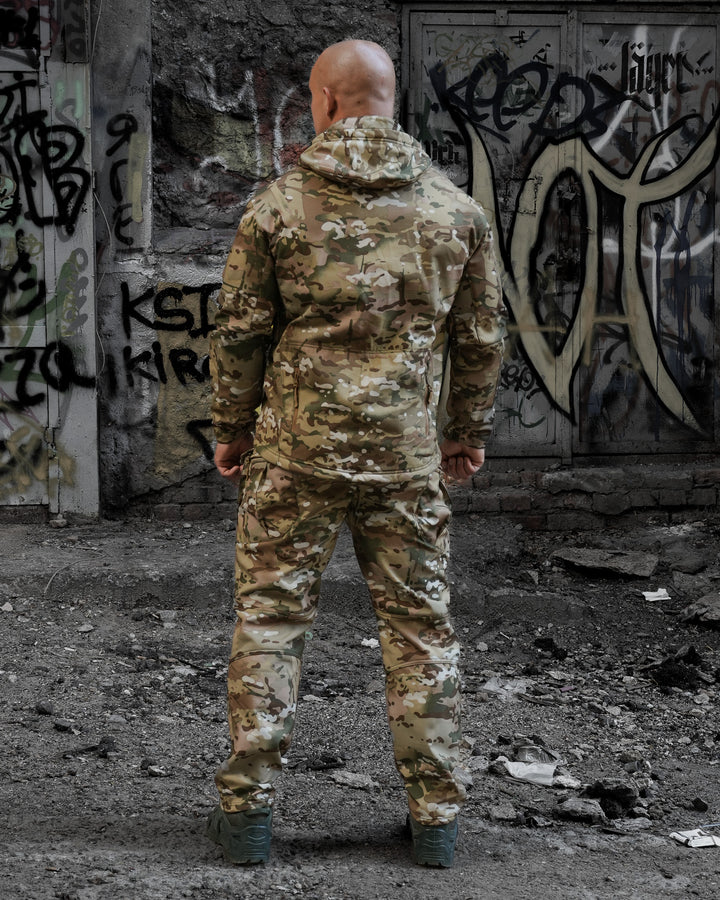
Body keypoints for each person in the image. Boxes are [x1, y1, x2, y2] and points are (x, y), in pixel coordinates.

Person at [206, 39, 506, 868]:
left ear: (325, 103)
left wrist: (232, 427)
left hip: (293, 455)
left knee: (270, 621)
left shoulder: (277, 207)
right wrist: (465, 433)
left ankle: (248, 816)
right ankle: (436, 822)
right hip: (404, 459)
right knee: (419, 631)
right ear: (389, 100)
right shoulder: (455, 210)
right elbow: (481, 337)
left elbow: (240, 330)